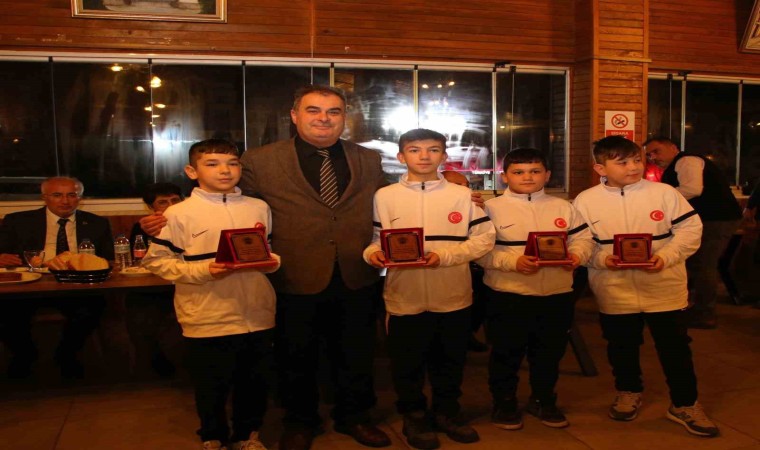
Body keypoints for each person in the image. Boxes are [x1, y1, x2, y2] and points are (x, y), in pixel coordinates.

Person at [573, 136, 718, 438]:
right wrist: (602, 259)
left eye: (637, 160)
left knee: (675, 347)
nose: (633, 167)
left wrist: (665, 257)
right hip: (614, 288)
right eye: (622, 162)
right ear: (600, 168)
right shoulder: (585, 201)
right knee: (621, 345)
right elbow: (581, 242)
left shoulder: (664, 193)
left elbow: (690, 229)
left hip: (664, 287)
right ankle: (628, 391)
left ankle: (685, 403)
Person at [142, 139, 278, 450]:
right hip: (205, 313)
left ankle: (247, 435)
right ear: (192, 171)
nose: (225, 171)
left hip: (256, 311)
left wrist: (272, 262)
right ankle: (212, 434)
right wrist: (204, 270)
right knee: (211, 382)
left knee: (253, 380)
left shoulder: (258, 207)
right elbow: (157, 261)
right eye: (212, 164)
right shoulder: (178, 213)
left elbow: (267, 250)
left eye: (232, 163)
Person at [364, 129, 495, 450]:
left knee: (450, 360)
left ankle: (447, 412)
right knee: (406, 363)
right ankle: (414, 415)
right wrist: (372, 255)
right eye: (414, 150)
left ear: (444, 156)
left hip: (452, 295)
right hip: (403, 297)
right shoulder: (384, 197)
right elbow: (375, 239)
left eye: (433, 150)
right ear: (401, 156)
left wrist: (445, 256)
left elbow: (484, 239)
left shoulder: (462, 196)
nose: (424, 156)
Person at [476, 148, 592, 431]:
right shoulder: (489, 209)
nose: (527, 177)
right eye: (518, 172)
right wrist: (512, 262)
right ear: (505, 177)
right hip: (507, 293)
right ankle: (504, 403)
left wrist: (578, 256)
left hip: (556, 294)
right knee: (506, 352)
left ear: (547, 175)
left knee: (549, 352)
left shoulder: (564, 207)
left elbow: (584, 239)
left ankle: (543, 400)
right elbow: (479, 251)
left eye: (535, 171)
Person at [0, 176, 113, 379]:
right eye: (57, 195)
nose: (65, 201)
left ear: (80, 198)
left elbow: (109, 259)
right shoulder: (17, 221)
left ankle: (67, 354)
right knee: (8, 312)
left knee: (92, 309)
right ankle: (24, 355)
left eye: (72, 195)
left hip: (77, 285)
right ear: (44, 197)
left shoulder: (97, 223)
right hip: (30, 285)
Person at [644, 136, 743, 328]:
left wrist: (660, 199)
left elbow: (692, 189)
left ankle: (705, 313)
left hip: (717, 218)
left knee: (704, 263)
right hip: (712, 218)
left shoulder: (686, 160)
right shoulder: (677, 165)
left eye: (656, 151)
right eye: (649, 155)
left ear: (673, 148)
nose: (653, 157)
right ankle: (696, 307)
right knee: (698, 263)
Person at [126, 182, 184, 378]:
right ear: (151, 207)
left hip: (184, 281)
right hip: (154, 283)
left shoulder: (192, 220)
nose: (170, 205)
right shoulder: (143, 227)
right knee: (140, 310)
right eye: (163, 202)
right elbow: (138, 258)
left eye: (175, 200)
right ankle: (154, 366)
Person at [441, 170, 488, 353]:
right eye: (457, 185)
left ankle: (468, 333)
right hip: (438, 267)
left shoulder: (475, 206)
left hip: (470, 264)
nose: (464, 189)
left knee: (485, 291)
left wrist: (481, 210)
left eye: (466, 185)